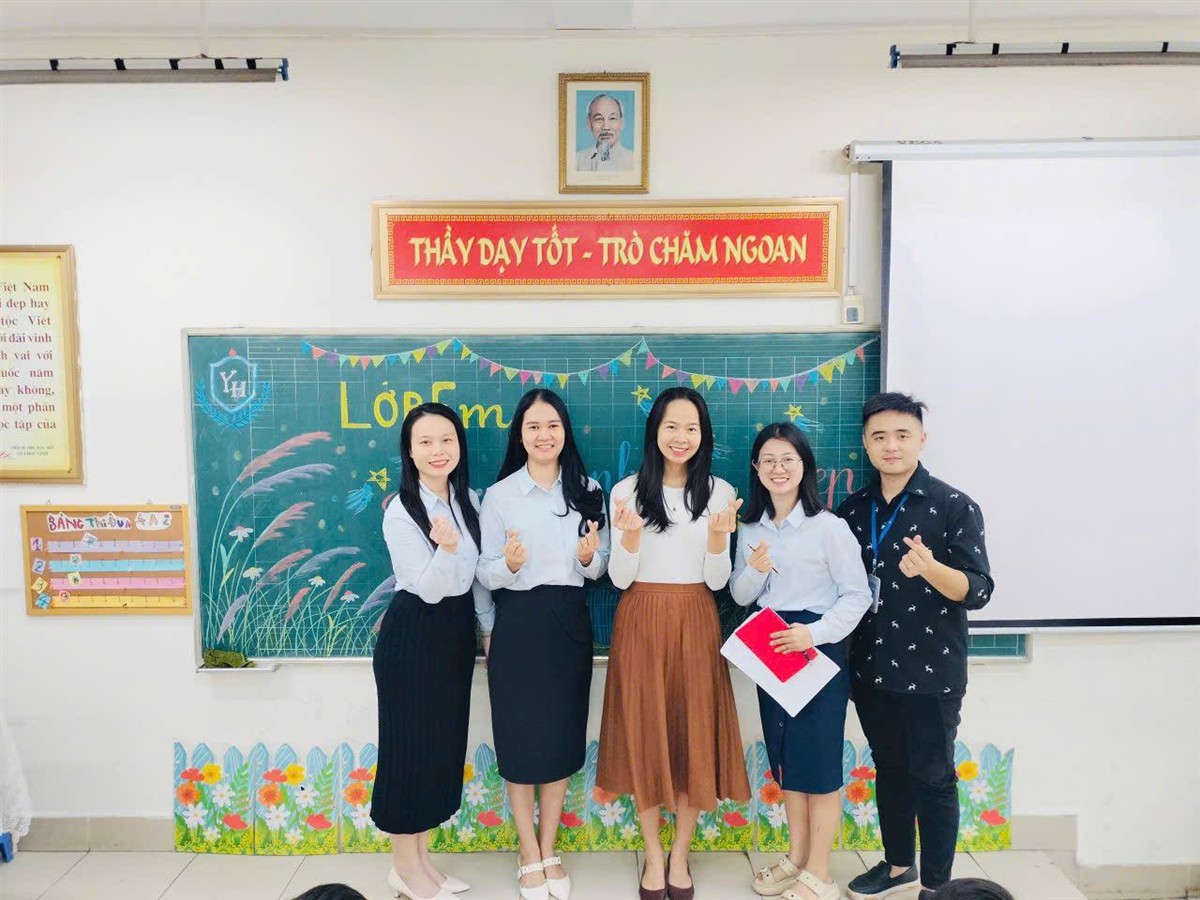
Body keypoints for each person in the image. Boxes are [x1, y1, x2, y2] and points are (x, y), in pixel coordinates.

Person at [838, 393, 994, 900]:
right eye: (879, 436)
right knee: (890, 769)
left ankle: (937, 886)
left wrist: (930, 569)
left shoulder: (953, 506)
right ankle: (898, 864)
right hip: (870, 667)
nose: (891, 445)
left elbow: (978, 590)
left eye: (902, 435)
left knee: (933, 776)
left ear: (921, 439)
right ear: (866, 443)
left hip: (932, 670)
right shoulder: (852, 510)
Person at [597, 386, 751, 900]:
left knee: (691, 734)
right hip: (640, 617)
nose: (681, 437)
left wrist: (717, 539)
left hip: (695, 617)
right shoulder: (626, 491)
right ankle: (653, 856)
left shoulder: (722, 493)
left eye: (691, 428)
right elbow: (620, 578)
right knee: (644, 733)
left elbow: (717, 581)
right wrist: (631, 538)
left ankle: (680, 855)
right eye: (671, 426)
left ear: (703, 435)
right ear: (654, 432)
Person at [730, 423, 872, 900]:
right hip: (770, 643)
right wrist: (756, 570)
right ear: (756, 468)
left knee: (819, 761)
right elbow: (740, 594)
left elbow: (857, 596)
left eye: (788, 459)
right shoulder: (750, 527)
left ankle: (820, 872)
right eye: (768, 460)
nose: (778, 468)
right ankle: (796, 858)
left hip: (817, 646)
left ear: (804, 465)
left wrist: (813, 634)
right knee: (787, 758)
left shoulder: (829, 527)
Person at [477, 389, 609, 900]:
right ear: (520, 434)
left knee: (560, 737)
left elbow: (598, 567)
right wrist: (509, 566)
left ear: (565, 431)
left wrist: (588, 557)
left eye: (552, 425)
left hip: (569, 622)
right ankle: (527, 850)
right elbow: (484, 572)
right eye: (533, 426)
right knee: (518, 739)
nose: (543, 435)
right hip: (516, 621)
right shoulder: (499, 496)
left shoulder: (588, 491)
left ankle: (549, 847)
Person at [371, 402, 493, 900]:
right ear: (409, 451)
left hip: (453, 635)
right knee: (408, 751)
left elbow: (478, 576)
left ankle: (423, 863)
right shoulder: (402, 510)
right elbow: (426, 587)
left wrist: (487, 629)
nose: (437, 450)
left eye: (446, 439)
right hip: (414, 633)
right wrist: (445, 550)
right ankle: (404, 868)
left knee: (438, 749)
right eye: (425, 442)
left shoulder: (467, 500)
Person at [575, 94, 635, 172]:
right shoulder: (577, 161)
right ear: (589, 124)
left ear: (622, 123)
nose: (606, 127)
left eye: (612, 118)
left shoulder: (634, 161)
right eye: (599, 119)